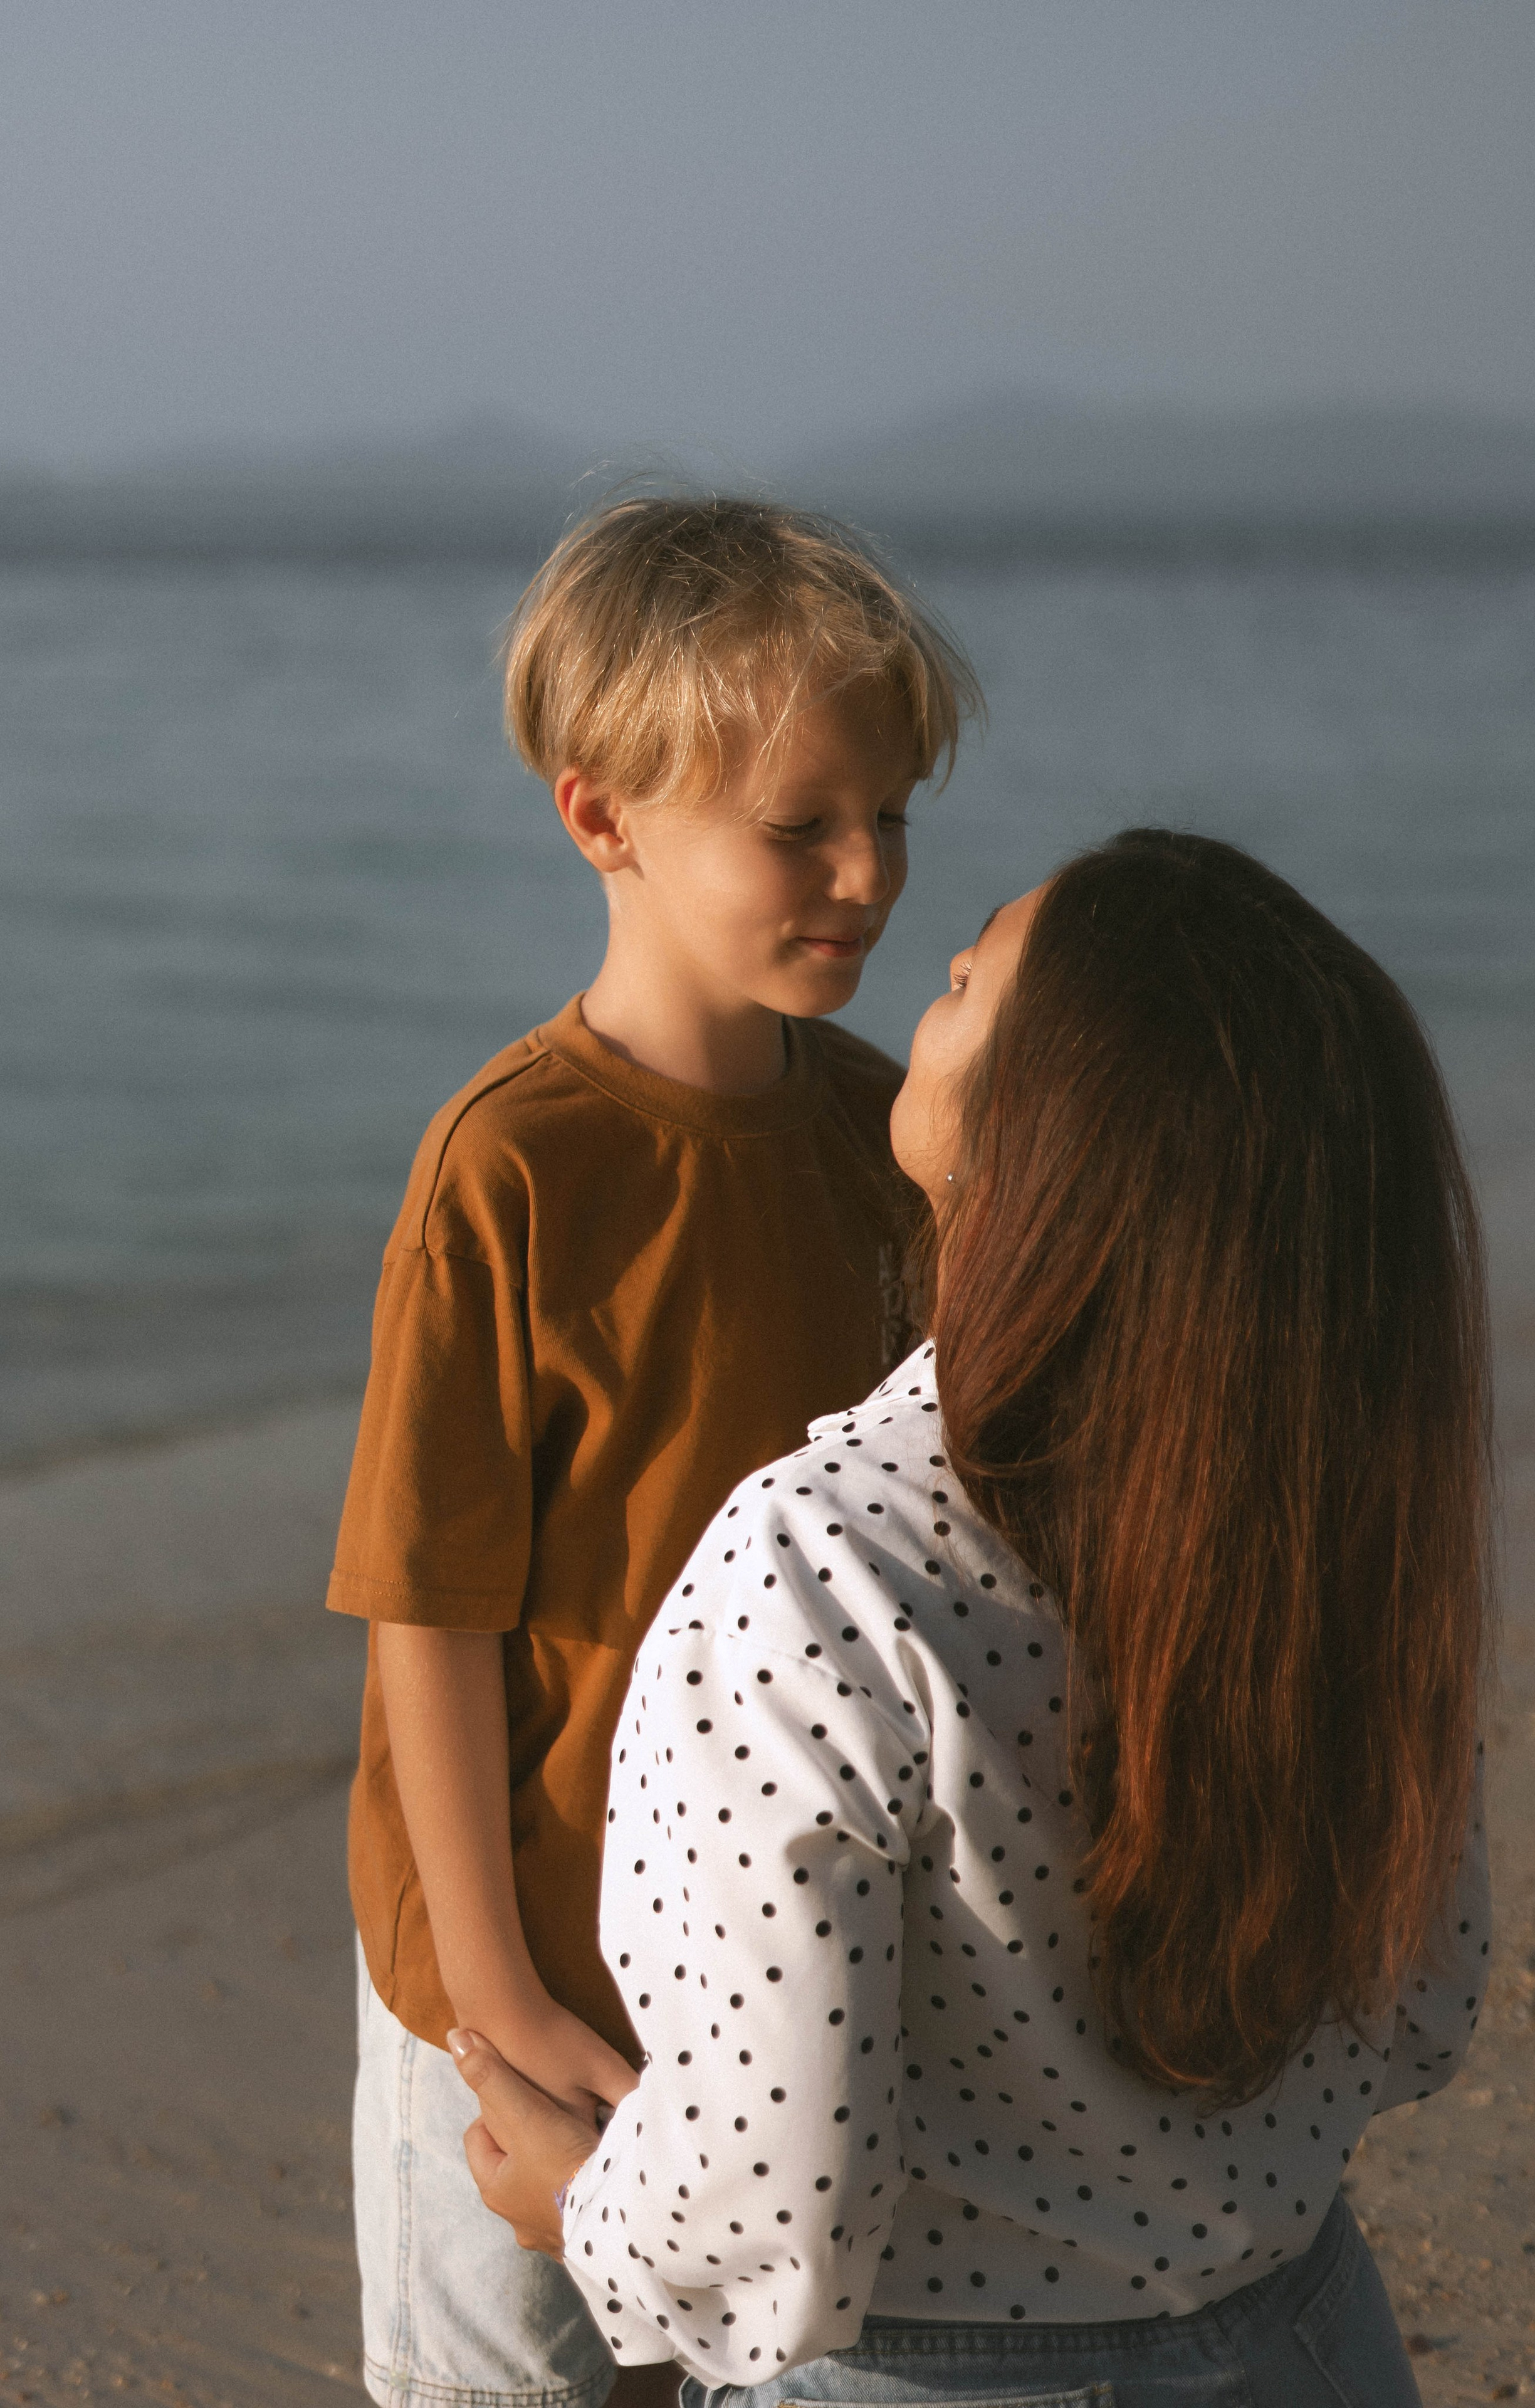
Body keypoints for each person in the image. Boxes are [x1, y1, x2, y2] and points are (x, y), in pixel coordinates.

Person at [451, 831, 1493, 2408]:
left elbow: (770, 2177)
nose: (915, 973)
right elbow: (1418, 1999)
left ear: (1040, 1132)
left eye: (959, 985)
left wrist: (579, 2214)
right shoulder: (1322, 1521)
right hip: (1298, 2334)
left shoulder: (826, 1565)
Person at [327, 495, 981, 2408]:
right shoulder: (512, 1169)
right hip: (510, 1954)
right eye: (803, 826)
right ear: (600, 813)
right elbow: (427, 1620)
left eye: (895, 817)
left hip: (781, 1951)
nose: (868, 872)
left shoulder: (894, 1143)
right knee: (503, 2382)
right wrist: (494, 1987)